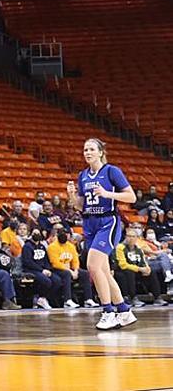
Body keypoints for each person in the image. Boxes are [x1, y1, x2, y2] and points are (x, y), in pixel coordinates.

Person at [66, 138, 137, 330]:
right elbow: (81, 206)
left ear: (100, 152)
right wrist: (72, 196)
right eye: (85, 150)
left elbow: (131, 197)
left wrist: (108, 194)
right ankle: (124, 311)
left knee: (92, 266)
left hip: (108, 221)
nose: (87, 152)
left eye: (91, 149)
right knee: (103, 271)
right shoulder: (83, 176)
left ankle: (108, 312)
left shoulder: (112, 171)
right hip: (89, 223)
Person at [47, 227, 98, 308]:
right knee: (67, 274)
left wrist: (76, 270)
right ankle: (67, 300)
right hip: (57, 269)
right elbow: (55, 263)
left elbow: (75, 260)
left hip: (70, 268)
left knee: (85, 273)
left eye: (66, 234)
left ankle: (88, 299)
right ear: (57, 235)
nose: (64, 235)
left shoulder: (71, 246)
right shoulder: (52, 247)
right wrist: (70, 271)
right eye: (62, 233)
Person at [114, 228, 167, 307]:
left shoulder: (138, 249)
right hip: (122, 271)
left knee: (151, 272)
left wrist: (146, 268)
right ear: (125, 237)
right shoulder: (120, 248)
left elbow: (143, 262)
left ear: (137, 238)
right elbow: (123, 265)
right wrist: (139, 269)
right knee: (129, 272)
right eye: (128, 236)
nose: (131, 238)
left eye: (133, 236)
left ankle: (157, 297)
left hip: (137, 270)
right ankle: (132, 298)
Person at [21, 228, 60, 310]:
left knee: (57, 280)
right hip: (31, 269)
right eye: (35, 233)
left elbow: (46, 260)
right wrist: (41, 270)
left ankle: (44, 298)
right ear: (31, 235)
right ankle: (41, 298)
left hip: (43, 269)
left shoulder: (42, 246)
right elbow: (28, 262)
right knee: (46, 281)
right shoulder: (27, 246)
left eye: (38, 233)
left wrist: (47, 269)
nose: (37, 235)